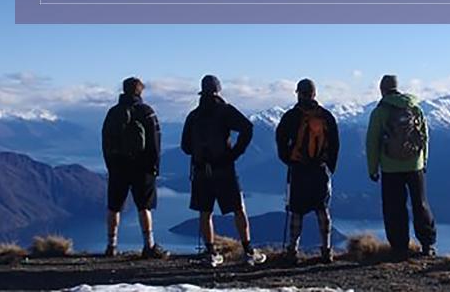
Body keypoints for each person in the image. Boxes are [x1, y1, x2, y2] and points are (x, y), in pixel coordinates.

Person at [181, 75, 267, 267]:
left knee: (205, 212)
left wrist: (199, 155)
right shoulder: (225, 111)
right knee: (238, 209)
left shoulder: (194, 115)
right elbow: (247, 128)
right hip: (224, 169)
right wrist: (234, 153)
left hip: (201, 171)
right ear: (218, 90)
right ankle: (248, 251)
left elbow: (185, 146)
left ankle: (211, 252)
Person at [366, 75, 437, 258]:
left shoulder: (380, 112)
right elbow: (424, 137)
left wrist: (373, 169)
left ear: (382, 89)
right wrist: (424, 160)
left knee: (394, 207)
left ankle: (399, 247)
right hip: (415, 165)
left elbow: (372, 142)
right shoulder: (415, 108)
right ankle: (427, 244)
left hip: (390, 168)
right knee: (420, 204)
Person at [101, 77, 168, 259]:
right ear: (140, 91)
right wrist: (154, 168)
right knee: (144, 207)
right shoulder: (147, 112)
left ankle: (111, 246)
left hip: (118, 167)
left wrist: (111, 166)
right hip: (142, 168)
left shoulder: (113, 113)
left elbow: (106, 142)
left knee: (114, 207)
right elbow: (155, 143)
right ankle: (149, 245)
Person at [275, 78, 340, 264]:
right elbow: (335, 144)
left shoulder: (291, 116)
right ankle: (327, 251)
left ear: (298, 93)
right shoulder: (326, 116)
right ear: (314, 93)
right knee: (322, 209)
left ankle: (292, 251)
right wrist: (330, 167)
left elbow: (280, 140)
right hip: (320, 169)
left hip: (299, 169)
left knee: (297, 210)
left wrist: (288, 159)